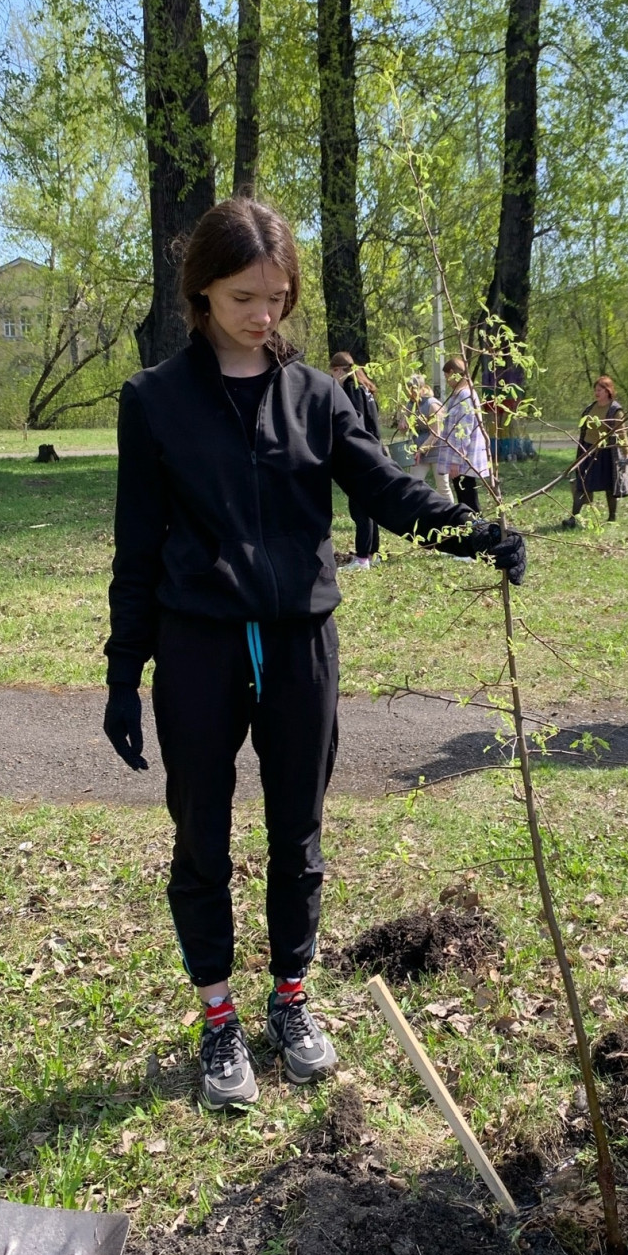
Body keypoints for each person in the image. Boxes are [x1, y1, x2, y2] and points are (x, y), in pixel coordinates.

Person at [102, 197, 526, 1113]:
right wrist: (122, 674)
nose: (264, 315)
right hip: (198, 649)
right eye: (244, 296)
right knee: (201, 836)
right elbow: (136, 548)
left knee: (298, 835)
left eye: (279, 296)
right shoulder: (154, 402)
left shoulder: (317, 397)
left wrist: (472, 530)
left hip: (300, 647)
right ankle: (218, 1018)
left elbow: (384, 488)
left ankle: (290, 999)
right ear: (202, 291)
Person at [330, 352, 381, 571]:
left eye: (332, 372)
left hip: (361, 453)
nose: (332, 377)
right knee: (371, 507)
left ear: (340, 370)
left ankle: (362, 559)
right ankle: (372, 552)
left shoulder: (351, 389)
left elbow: (354, 422)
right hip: (374, 449)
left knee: (360, 508)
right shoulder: (366, 387)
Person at [564, 376, 627, 526]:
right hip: (587, 451)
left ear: (608, 391)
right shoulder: (590, 408)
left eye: (599, 390)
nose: (596, 393)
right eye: (595, 390)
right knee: (582, 485)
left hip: (606, 454)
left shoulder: (615, 410)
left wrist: (627, 454)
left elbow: (622, 434)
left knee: (610, 486)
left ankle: (612, 518)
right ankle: (574, 518)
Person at [436, 356, 491, 512]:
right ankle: (469, 529)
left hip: (462, 461)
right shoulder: (460, 394)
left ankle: (475, 529)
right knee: (464, 498)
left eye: (447, 377)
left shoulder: (465, 395)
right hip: (461, 460)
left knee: (468, 501)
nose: (447, 381)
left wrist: (456, 460)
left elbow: (463, 429)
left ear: (453, 373)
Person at [392, 376, 440, 485]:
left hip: (437, 450)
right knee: (413, 484)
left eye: (412, 390)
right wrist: (403, 426)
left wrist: (421, 450)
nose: (410, 394)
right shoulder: (410, 405)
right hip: (418, 451)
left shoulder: (432, 405)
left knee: (443, 487)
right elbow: (404, 429)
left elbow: (436, 434)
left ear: (422, 389)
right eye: (408, 391)